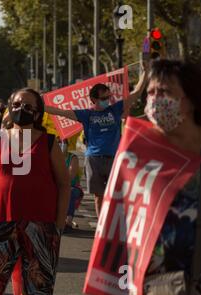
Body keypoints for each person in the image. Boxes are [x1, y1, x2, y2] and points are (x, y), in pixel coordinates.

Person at [0, 88, 70, 295]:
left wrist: (59, 223)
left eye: (27, 107)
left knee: (37, 292)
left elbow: (64, 184)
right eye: (16, 105)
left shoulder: (49, 142)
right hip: (0, 222)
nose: (20, 110)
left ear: (37, 114)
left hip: (41, 226)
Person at [45, 62, 149, 217]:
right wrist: (40, 104)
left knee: (116, 195)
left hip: (114, 158)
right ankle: (100, 226)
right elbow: (61, 112)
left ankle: (114, 225)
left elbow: (137, 93)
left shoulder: (115, 109)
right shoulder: (87, 114)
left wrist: (145, 73)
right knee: (98, 196)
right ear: (93, 99)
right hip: (94, 160)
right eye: (103, 98)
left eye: (109, 97)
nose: (107, 100)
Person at [140, 60, 201, 295]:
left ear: (191, 99)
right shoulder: (140, 154)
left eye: (164, 91)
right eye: (150, 92)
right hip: (159, 287)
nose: (155, 100)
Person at [60, 138, 84, 232]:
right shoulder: (52, 156)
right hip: (56, 186)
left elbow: (70, 176)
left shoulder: (73, 158)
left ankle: (68, 222)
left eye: (63, 143)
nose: (61, 145)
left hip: (72, 187)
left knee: (70, 192)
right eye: (59, 142)